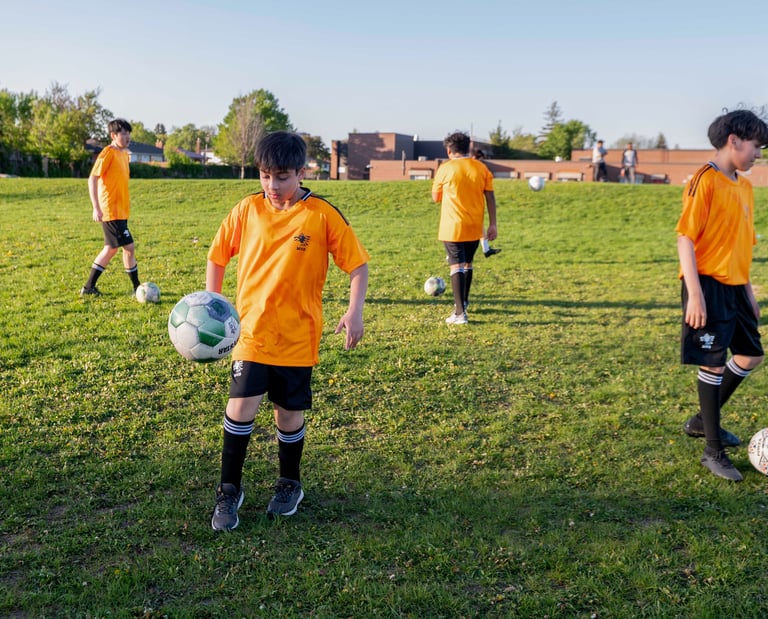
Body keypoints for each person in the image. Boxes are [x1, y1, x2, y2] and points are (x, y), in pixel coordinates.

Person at [206, 131, 369, 530]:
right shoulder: (246, 210)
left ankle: (289, 483)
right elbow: (217, 256)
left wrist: (354, 312)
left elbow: (358, 265)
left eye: (281, 177)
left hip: (298, 336)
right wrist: (214, 303)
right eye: (265, 176)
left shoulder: (321, 215)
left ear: (301, 172)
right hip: (252, 333)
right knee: (239, 408)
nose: (273, 186)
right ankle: (229, 491)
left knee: (288, 416)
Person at [676, 109, 768, 482]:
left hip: (735, 285)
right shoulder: (705, 180)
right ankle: (713, 450)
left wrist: (749, 292)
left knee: (751, 356)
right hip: (708, 285)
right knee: (713, 363)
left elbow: (741, 244)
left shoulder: (744, 187)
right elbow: (685, 238)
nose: (759, 155)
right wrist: (695, 294)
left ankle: (702, 419)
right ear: (734, 140)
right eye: (756, 147)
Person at [432, 132, 498, 325]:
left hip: (452, 226)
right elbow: (490, 197)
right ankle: (465, 303)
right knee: (468, 264)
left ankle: (459, 314)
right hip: (475, 226)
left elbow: (436, 197)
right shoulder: (481, 168)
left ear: (449, 150)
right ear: (468, 147)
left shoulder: (445, 169)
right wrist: (493, 223)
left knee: (456, 266)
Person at [81, 118, 141, 296]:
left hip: (121, 210)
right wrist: (96, 207)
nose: (127, 136)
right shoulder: (108, 153)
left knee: (112, 249)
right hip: (110, 210)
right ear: (113, 135)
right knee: (128, 247)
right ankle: (137, 288)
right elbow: (93, 178)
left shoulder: (123, 155)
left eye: (128, 133)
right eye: (123, 133)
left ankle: (89, 287)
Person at [472, 149, 501, 258]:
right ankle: (451, 255)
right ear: (475, 158)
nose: (481, 163)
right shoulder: (475, 170)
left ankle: (486, 248)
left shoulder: (479, 170)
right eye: (480, 160)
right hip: (470, 207)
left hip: (476, 207)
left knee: (480, 227)